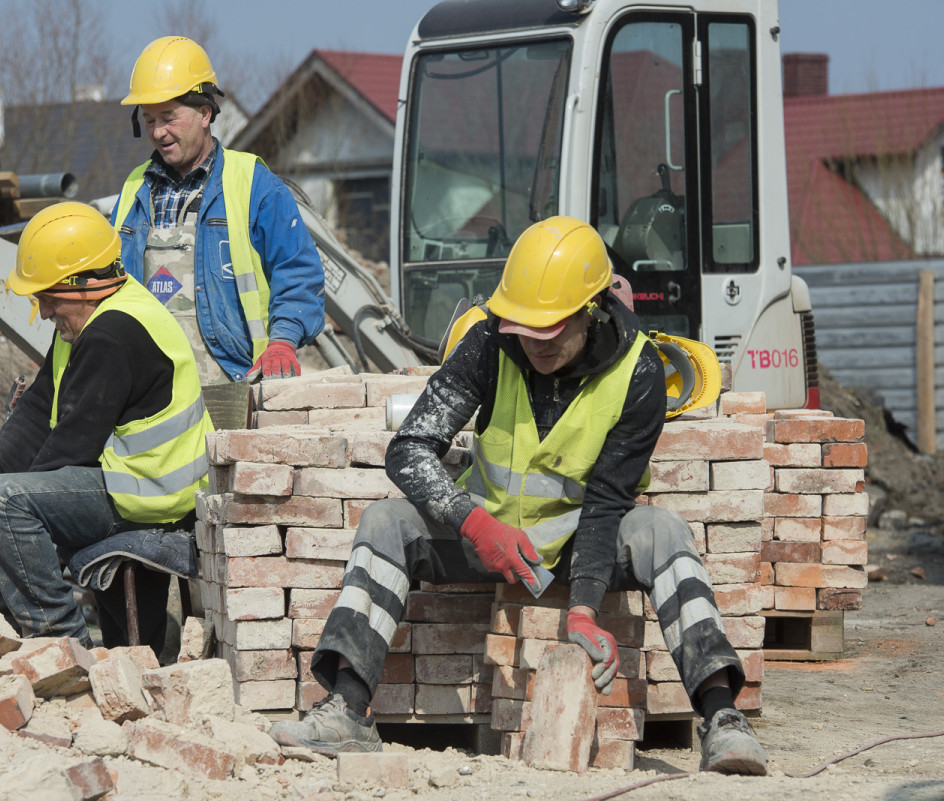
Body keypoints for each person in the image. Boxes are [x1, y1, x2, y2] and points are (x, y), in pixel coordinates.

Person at [269, 216, 768, 775]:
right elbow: (408, 449)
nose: (534, 344)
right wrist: (474, 524)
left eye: (549, 331)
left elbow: (606, 499)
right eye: (523, 330)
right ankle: (347, 710)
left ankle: (723, 720)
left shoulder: (640, 372)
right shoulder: (489, 340)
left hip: (582, 542)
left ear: (592, 309)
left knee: (664, 533)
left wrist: (583, 608)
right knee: (386, 522)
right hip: (487, 536)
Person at [0, 201, 213, 653]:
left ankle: (63, 647)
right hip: (123, 477)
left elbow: (71, 447)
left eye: (47, 296)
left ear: (82, 284)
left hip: (152, 492)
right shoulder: (89, 316)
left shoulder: (113, 334)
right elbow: (39, 408)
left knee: (1, 502)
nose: (43, 310)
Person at [112, 35, 325, 384]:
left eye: (168, 116)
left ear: (205, 113)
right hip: (149, 395)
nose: (158, 132)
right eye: (149, 120)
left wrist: (283, 342)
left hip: (237, 382)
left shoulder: (253, 185)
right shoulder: (134, 189)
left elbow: (298, 274)